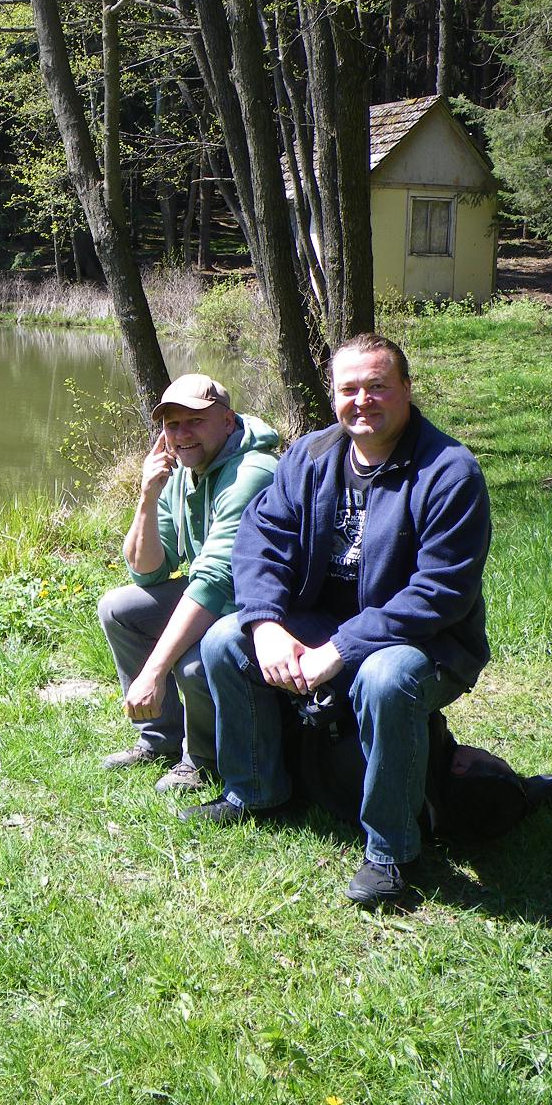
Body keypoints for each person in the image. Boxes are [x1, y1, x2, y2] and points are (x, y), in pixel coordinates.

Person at [187, 333, 493, 910]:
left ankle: (392, 851)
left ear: (405, 388)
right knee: (227, 640)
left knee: (384, 678)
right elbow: (259, 543)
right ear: (332, 396)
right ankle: (256, 792)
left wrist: (342, 648)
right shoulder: (308, 457)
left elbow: (441, 592)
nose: (363, 400)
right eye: (349, 388)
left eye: (378, 386)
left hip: (425, 641)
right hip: (319, 622)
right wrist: (265, 623)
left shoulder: (451, 471)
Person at [98, 374, 280, 793]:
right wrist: (147, 494)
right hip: (220, 593)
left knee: (193, 658)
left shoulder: (250, 474)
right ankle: (159, 739)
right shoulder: (182, 471)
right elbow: (147, 571)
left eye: (195, 421)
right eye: (172, 425)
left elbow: (217, 583)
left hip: (263, 607)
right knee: (119, 609)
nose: (181, 435)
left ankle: (202, 758)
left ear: (228, 422)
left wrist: (153, 672)